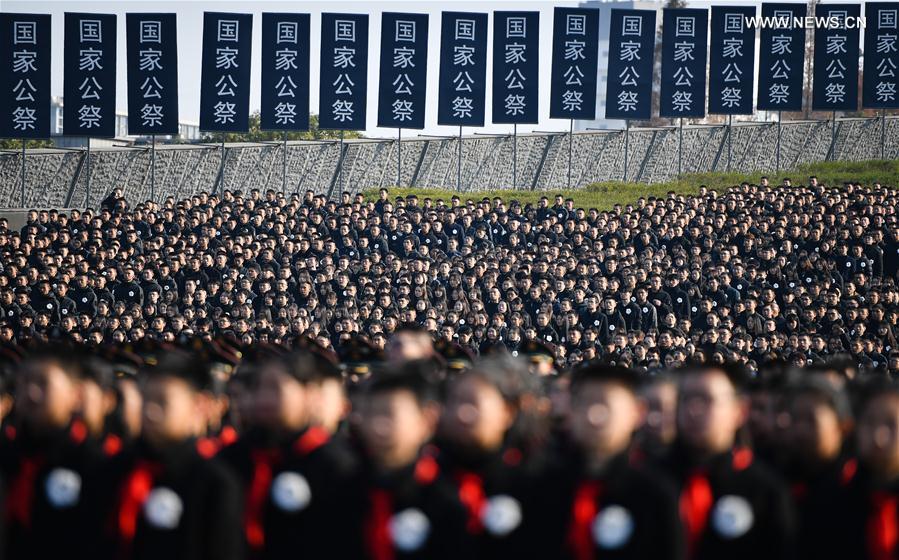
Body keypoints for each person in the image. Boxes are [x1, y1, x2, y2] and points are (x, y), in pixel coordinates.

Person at [82, 348, 242, 560]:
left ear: (198, 405)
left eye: (162, 402)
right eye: (146, 400)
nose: (150, 411)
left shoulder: (213, 481)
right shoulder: (111, 469)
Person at [534, 362, 684, 560]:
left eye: (605, 405)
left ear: (636, 413)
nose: (593, 417)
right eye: (584, 404)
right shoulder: (540, 485)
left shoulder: (655, 493)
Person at [218, 349, 357, 560]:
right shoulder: (231, 458)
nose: (264, 398)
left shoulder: (335, 464)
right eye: (259, 388)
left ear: (309, 395)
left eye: (275, 388)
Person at [662, 362, 796, 560]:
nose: (693, 409)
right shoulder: (650, 482)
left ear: (738, 411)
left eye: (706, 400)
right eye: (686, 399)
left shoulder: (765, 490)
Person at [348, 361, 472, 559]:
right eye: (371, 413)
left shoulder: (443, 496)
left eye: (389, 414)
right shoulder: (344, 486)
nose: (378, 426)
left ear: (426, 420)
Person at [0, 344, 103, 559]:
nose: (31, 393)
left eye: (43, 383)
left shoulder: (95, 461)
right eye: (25, 382)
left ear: (76, 395)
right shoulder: (8, 453)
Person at [435, 356, 540, 557]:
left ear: (507, 411)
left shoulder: (533, 479)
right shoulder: (429, 477)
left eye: (472, 403)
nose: (461, 413)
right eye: (455, 401)